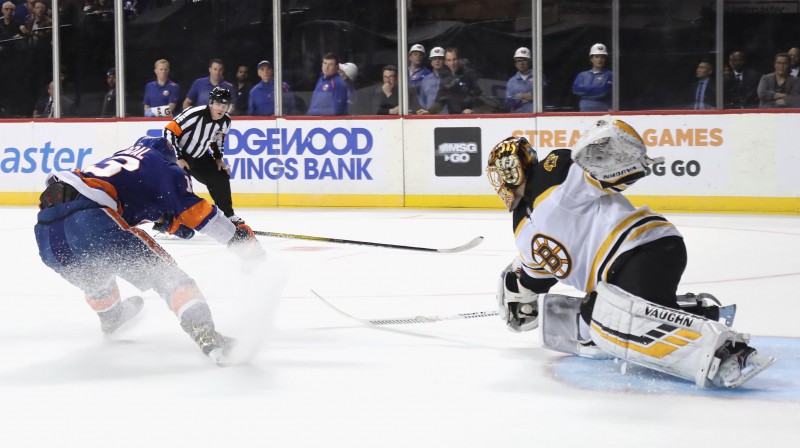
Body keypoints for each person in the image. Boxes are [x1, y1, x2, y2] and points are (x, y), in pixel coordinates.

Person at [487, 119, 774, 388]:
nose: (499, 181)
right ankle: (695, 315)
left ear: (512, 167)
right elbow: (536, 279)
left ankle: (729, 354)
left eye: (500, 172)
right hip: (628, 268)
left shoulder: (553, 176)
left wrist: (610, 149)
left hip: (642, 249)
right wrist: (519, 294)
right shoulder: (522, 230)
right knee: (591, 327)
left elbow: (598, 167)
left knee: (607, 322)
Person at [33, 136, 264, 365]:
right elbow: (196, 213)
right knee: (168, 277)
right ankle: (206, 334)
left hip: (48, 234)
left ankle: (112, 317)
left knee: (96, 272)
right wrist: (238, 238)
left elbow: (144, 204)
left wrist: (167, 220)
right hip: (91, 220)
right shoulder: (163, 166)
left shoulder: (121, 164)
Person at [164, 86, 244, 225]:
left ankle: (228, 214)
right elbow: (169, 131)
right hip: (181, 156)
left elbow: (218, 139)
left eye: (225, 105)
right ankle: (165, 221)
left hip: (200, 156)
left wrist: (218, 159)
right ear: (211, 103)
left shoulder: (225, 121)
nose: (221, 109)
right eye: (219, 104)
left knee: (220, 176)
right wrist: (179, 157)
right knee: (178, 187)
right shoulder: (194, 114)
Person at [419, 47, 482, 115]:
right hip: (453, 119)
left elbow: (480, 97)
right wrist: (429, 112)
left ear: (459, 59)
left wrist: (473, 110)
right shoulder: (445, 79)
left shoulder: (470, 74)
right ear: (445, 62)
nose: (452, 63)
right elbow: (440, 103)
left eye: (454, 59)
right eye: (449, 60)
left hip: (472, 119)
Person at [572, 43, 612, 112]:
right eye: (596, 57)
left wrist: (585, 92)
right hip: (584, 112)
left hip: (603, 112)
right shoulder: (582, 75)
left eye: (602, 57)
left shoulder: (610, 74)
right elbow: (576, 90)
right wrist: (595, 88)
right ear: (591, 59)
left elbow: (603, 92)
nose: (600, 60)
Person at [416, 46, 447, 114]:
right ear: (431, 62)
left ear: (445, 61)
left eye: (440, 58)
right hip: (430, 118)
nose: (437, 61)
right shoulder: (425, 80)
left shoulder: (449, 78)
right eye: (434, 59)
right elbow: (422, 101)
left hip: (447, 118)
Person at [504, 47, 534, 113]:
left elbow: (538, 96)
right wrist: (527, 96)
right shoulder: (511, 81)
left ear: (530, 62)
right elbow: (509, 102)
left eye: (524, 60)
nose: (522, 63)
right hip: (518, 119)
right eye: (519, 61)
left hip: (536, 118)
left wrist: (519, 96)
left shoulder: (538, 77)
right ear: (516, 64)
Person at [408, 43, 431, 109]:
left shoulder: (428, 74)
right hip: (405, 109)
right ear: (410, 57)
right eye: (415, 54)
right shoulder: (403, 73)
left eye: (420, 55)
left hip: (421, 109)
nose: (418, 56)